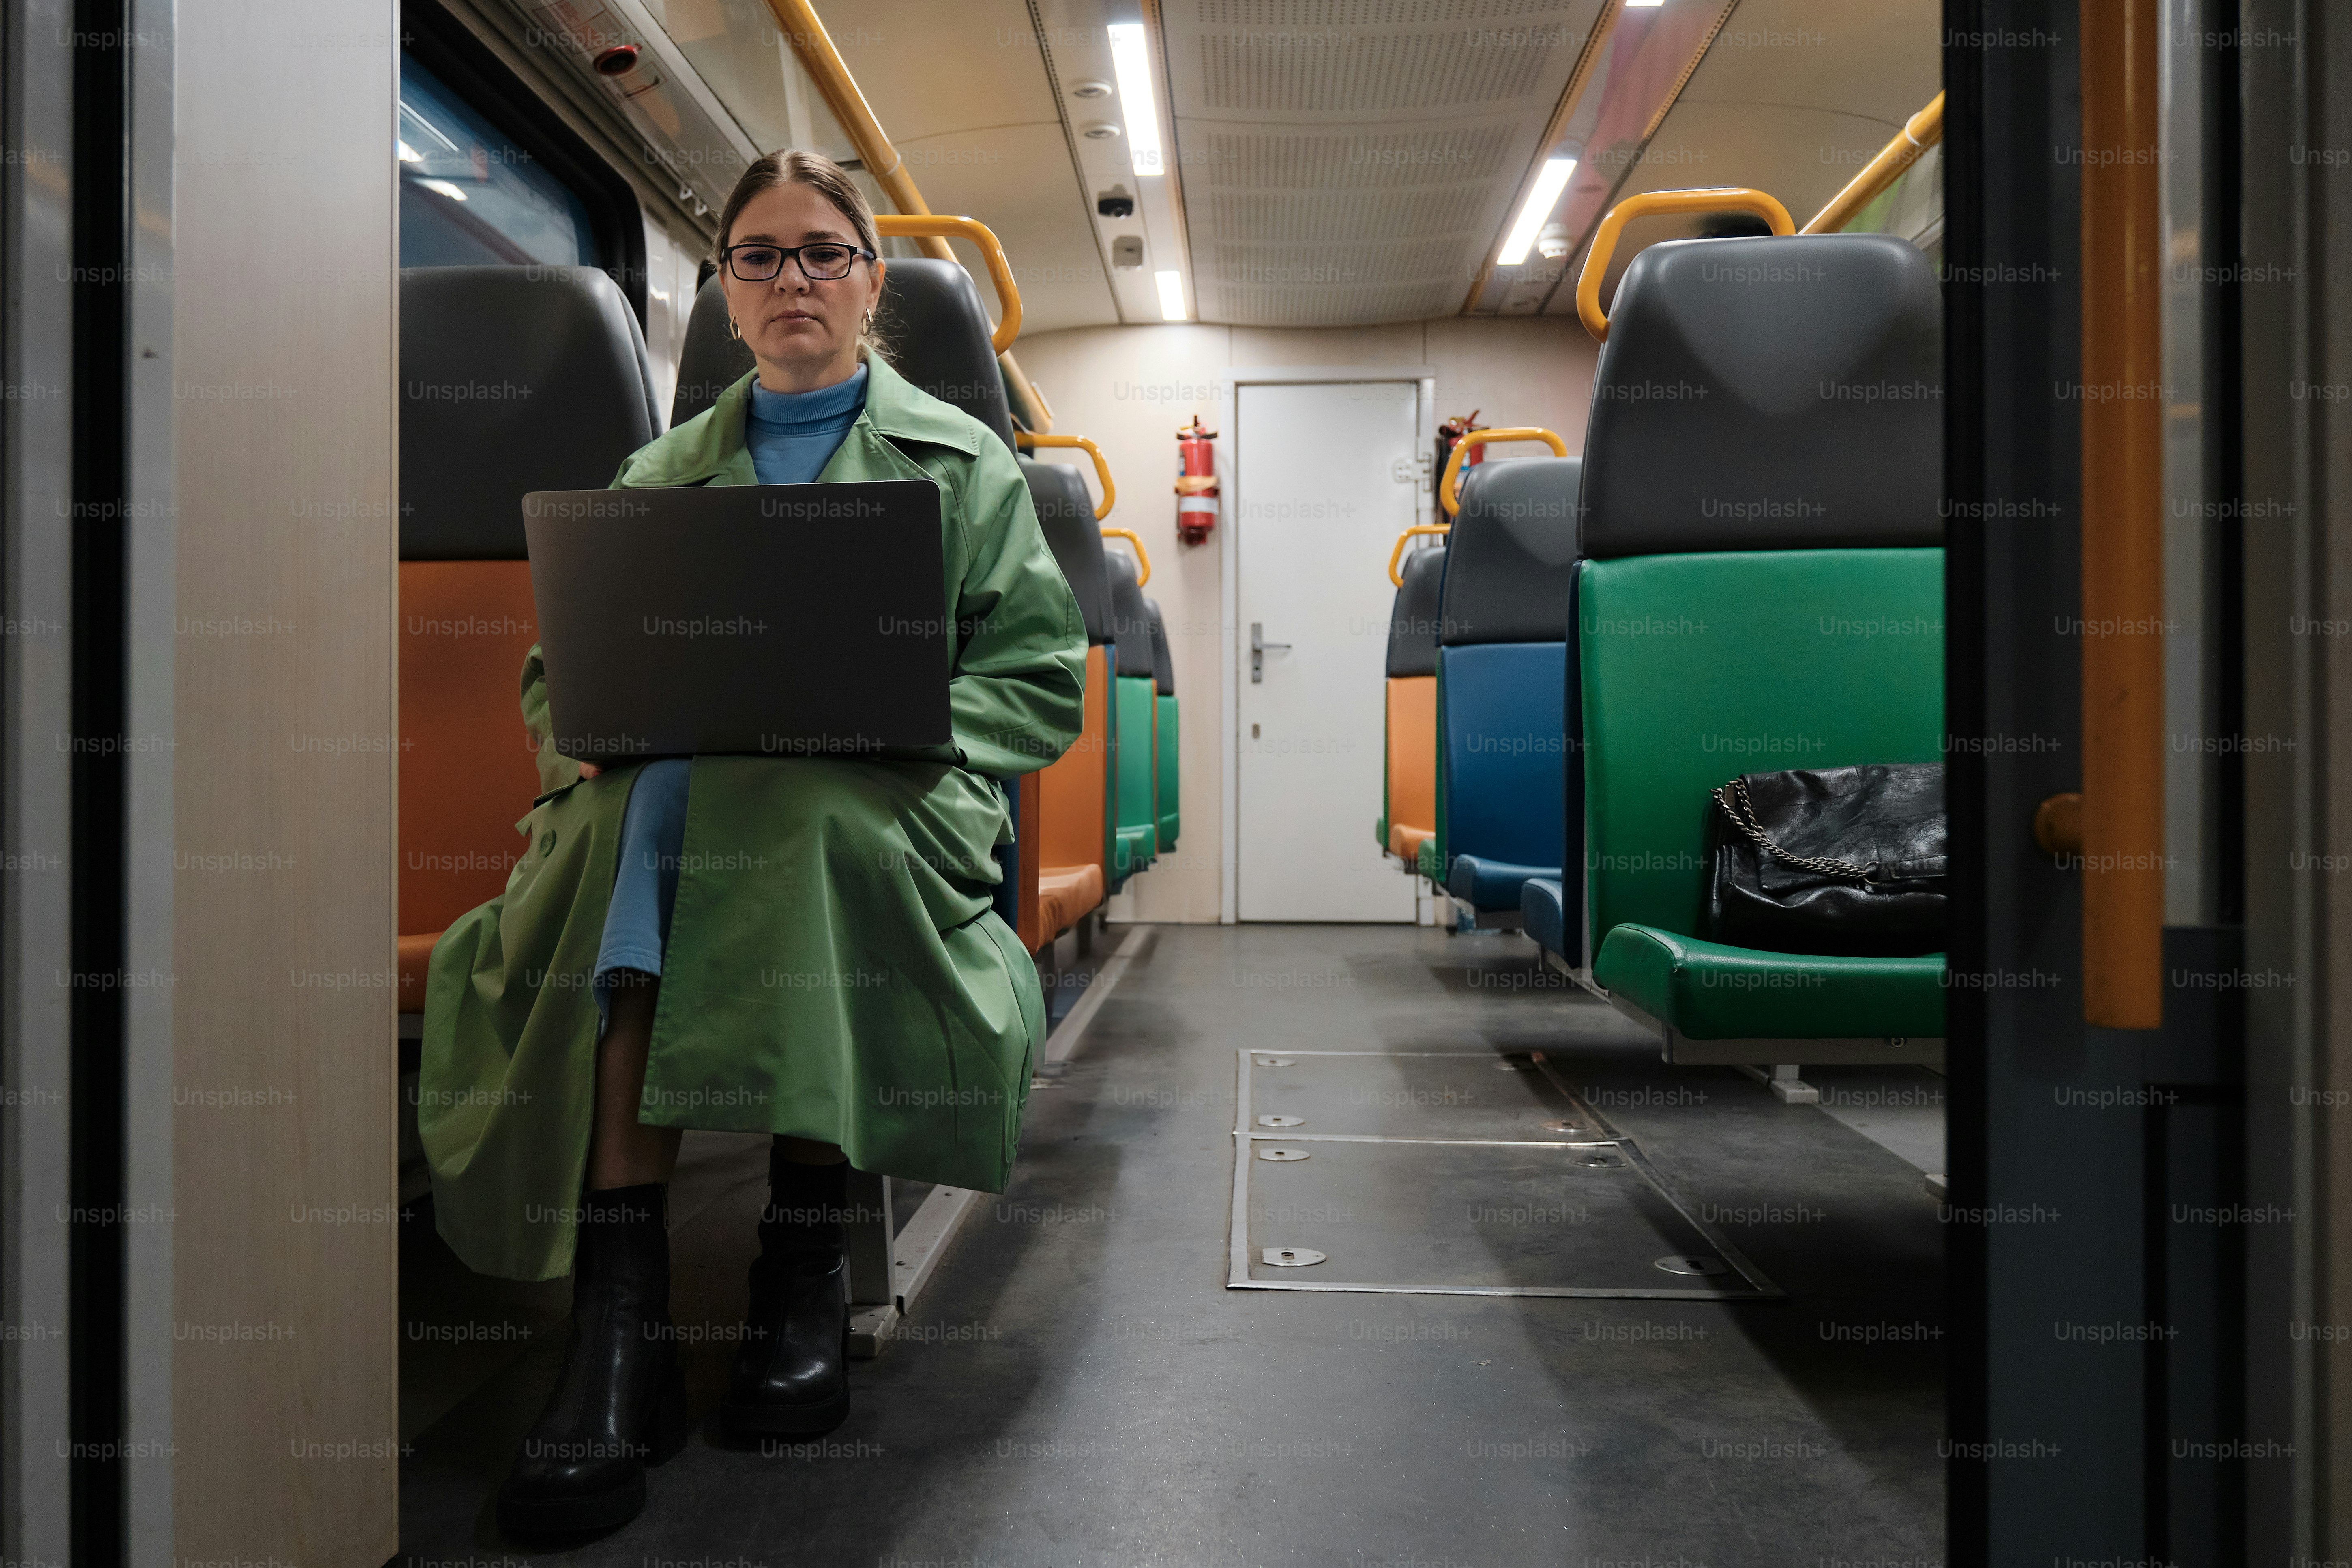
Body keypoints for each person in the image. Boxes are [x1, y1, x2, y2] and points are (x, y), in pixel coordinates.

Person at [415, 148, 1086, 1538]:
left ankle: (792, 1261)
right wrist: (590, 732)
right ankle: (624, 1324)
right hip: (671, 803)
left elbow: (1036, 683)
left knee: (790, 807)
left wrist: (898, 721)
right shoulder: (657, 472)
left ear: (871, 281)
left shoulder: (968, 467)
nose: (794, 279)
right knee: (629, 810)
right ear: (725, 289)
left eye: (824, 252)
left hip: (886, 800)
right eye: (762, 255)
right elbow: (559, 685)